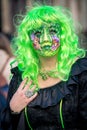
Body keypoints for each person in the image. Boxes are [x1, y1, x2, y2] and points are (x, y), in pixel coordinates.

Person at [1, 5, 87, 130]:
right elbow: (6, 126)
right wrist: (13, 108)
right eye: (37, 33)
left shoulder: (80, 72)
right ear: (28, 39)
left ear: (63, 34)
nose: (45, 39)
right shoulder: (22, 76)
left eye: (52, 31)